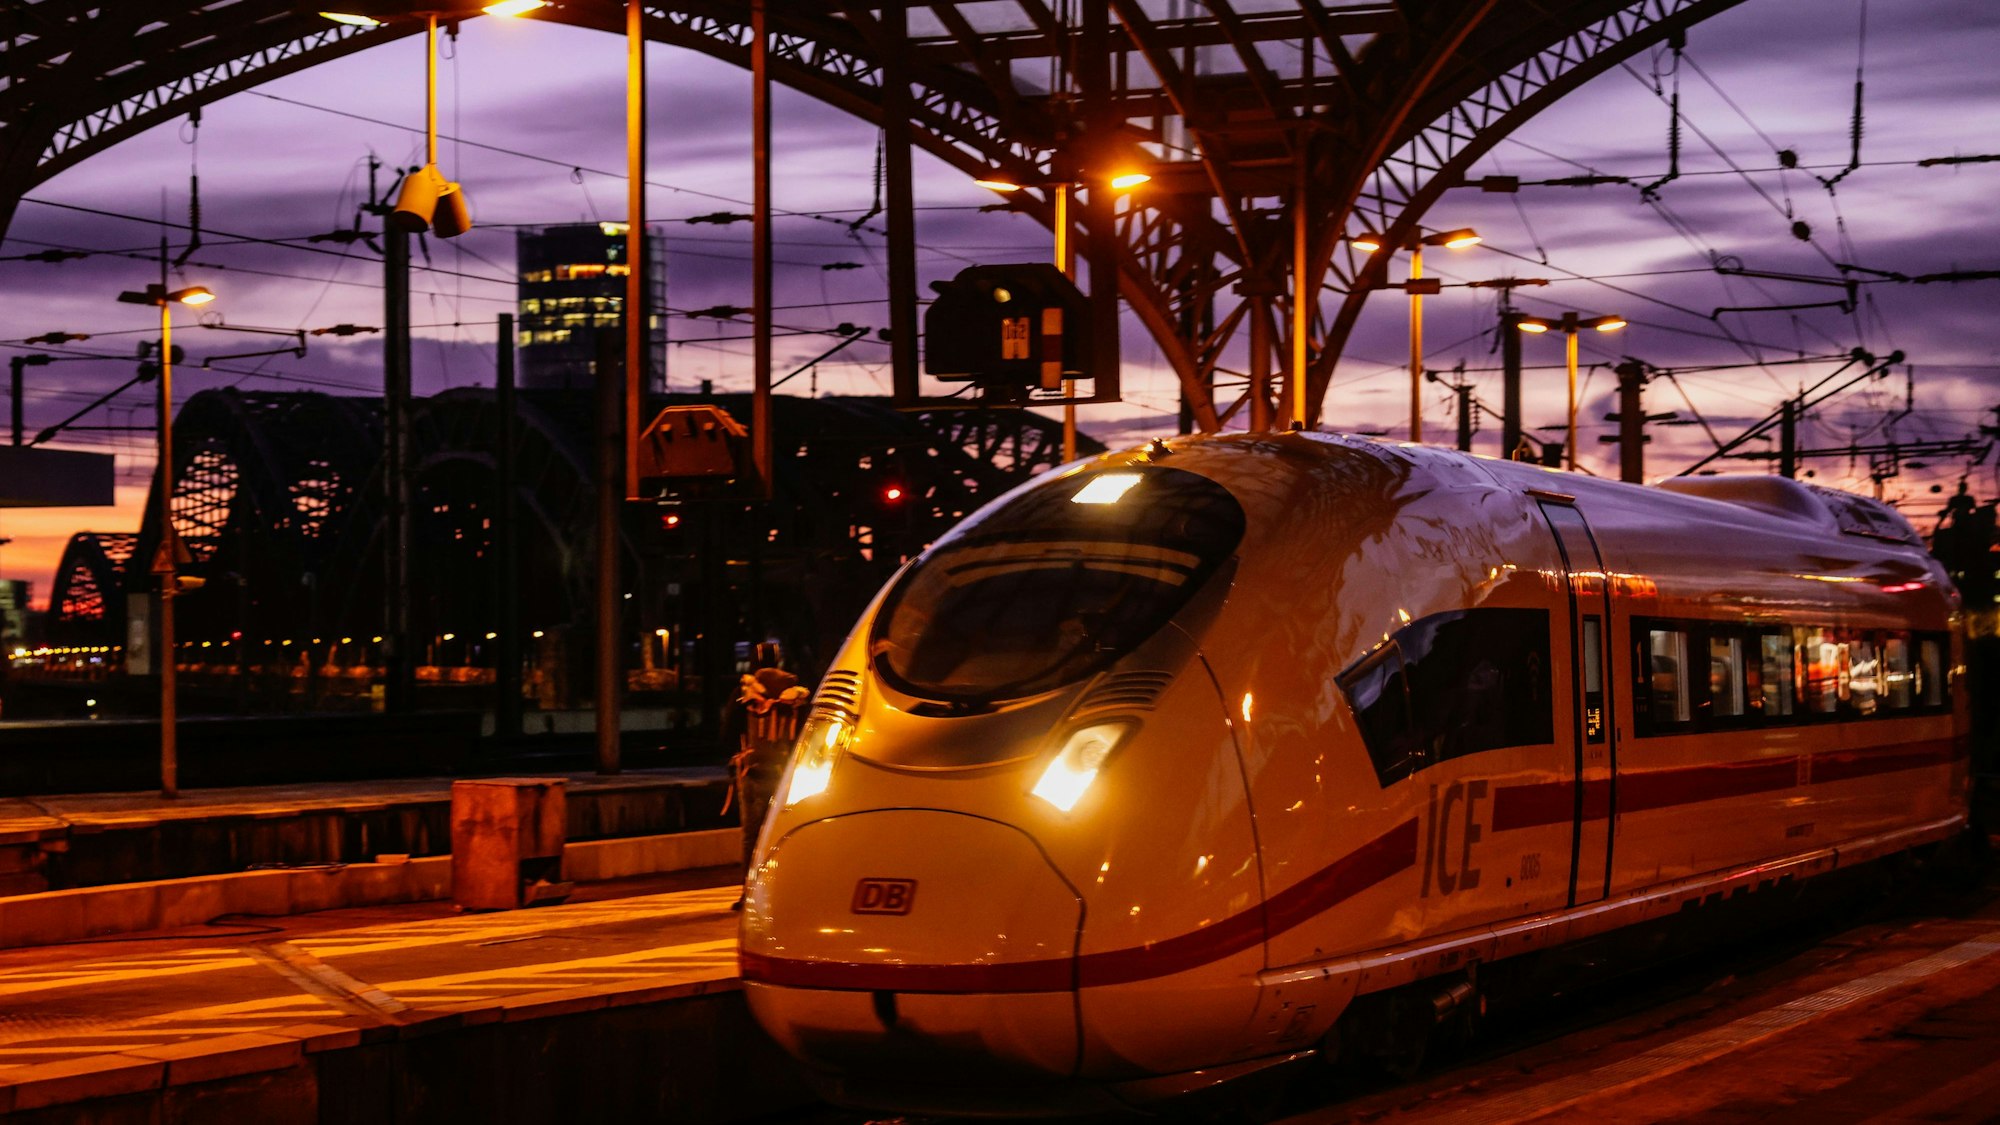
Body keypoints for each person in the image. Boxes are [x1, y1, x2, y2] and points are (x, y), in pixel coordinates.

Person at [727, 642, 808, 910]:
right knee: (785, 835)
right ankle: (785, 891)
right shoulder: (795, 696)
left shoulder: (743, 694)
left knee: (751, 836)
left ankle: (747, 893)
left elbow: (726, 731)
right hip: (785, 774)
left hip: (752, 772)